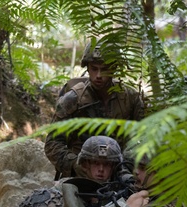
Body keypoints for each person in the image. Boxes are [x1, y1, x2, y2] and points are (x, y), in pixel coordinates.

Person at [44, 42, 144, 179]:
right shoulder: (73, 100)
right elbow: (52, 143)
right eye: (94, 69)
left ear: (114, 69)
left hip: (119, 172)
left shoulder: (130, 99)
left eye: (104, 69)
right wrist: (73, 163)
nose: (98, 75)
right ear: (87, 68)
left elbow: (144, 139)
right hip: (81, 174)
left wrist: (127, 165)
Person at [59, 136, 148, 207]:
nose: (101, 169)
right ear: (86, 164)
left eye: (107, 164)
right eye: (96, 163)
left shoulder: (125, 189)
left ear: (114, 166)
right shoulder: (68, 187)